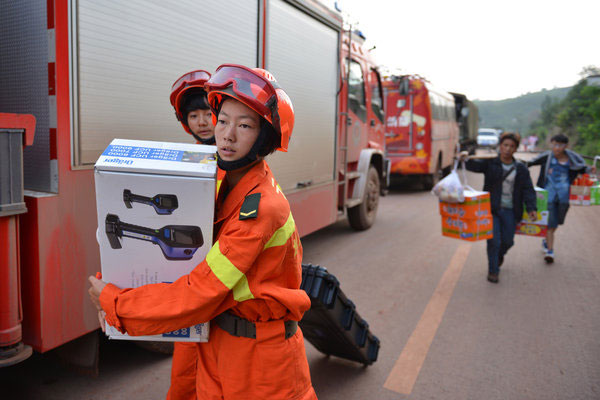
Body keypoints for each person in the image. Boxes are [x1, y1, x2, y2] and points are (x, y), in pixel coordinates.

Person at [88, 64, 317, 400]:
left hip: (260, 363)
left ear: (264, 137)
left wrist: (116, 301)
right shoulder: (224, 182)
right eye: (222, 121)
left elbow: (201, 291)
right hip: (219, 342)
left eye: (244, 125)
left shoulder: (262, 207)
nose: (227, 134)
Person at [168, 69, 216, 400]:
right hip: (190, 272)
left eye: (207, 113)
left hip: (221, 277)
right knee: (185, 368)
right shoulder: (184, 160)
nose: (201, 121)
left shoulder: (236, 158)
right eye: (193, 115)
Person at [459, 132, 537, 283]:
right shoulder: (490, 164)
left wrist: (531, 208)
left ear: (516, 149)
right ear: (500, 146)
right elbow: (471, 165)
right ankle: (493, 270)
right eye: (505, 145)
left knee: (507, 241)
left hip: (511, 211)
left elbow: (528, 189)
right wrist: (464, 156)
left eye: (511, 146)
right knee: (493, 241)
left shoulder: (521, 169)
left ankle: (500, 255)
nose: (508, 149)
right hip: (492, 210)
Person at [527, 133, 596, 263]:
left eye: (561, 145)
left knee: (557, 222)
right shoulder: (547, 157)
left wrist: (589, 170)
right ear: (551, 144)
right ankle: (550, 251)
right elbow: (530, 163)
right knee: (550, 223)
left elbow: (582, 169)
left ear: (566, 146)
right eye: (555, 145)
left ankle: (546, 240)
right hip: (548, 196)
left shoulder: (572, 159)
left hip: (564, 197)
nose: (557, 148)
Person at [170, 69, 215, 145]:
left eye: (209, 114)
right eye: (193, 116)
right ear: (184, 120)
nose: (202, 123)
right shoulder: (189, 155)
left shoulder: (240, 153)